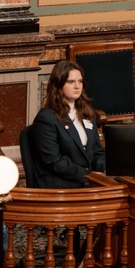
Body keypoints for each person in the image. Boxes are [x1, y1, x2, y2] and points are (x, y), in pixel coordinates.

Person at [30, 59, 106, 188]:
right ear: (59, 85)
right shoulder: (46, 118)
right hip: (61, 182)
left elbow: (97, 150)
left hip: (88, 179)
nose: (77, 86)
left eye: (80, 81)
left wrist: (103, 171)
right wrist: (88, 175)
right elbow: (54, 161)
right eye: (71, 82)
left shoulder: (88, 113)